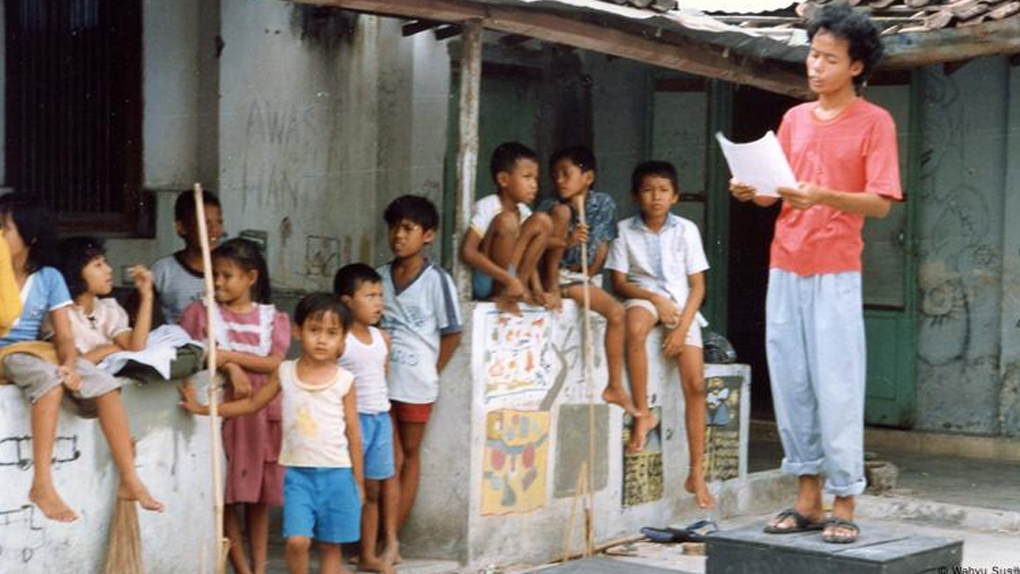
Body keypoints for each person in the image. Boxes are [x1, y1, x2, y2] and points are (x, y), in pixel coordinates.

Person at [729, 4, 899, 544]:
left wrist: (824, 196)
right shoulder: (796, 119)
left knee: (839, 386)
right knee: (792, 381)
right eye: (812, 54)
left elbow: (880, 203)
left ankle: (845, 497)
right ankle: (807, 499)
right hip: (786, 262)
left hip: (835, 269)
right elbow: (778, 189)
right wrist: (751, 191)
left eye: (829, 58)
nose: (815, 66)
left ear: (855, 67)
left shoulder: (875, 121)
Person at [0, 193, 162, 522]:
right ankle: (42, 484)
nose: (0, 236)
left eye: (5, 229)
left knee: (103, 382)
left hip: (35, 351)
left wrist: (70, 366)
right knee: (47, 380)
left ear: (30, 236)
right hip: (6, 352)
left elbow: (64, 337)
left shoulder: (49, 278)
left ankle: (129, 478)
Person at [180, 293, 363, 574]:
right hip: (298, 476)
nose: (322, 339)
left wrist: (358, 482)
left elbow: (353, 432)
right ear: (298, 331)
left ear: (343, 338)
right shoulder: (285, 372)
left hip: (337, 474)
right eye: (315, 330)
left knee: (330, 546)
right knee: (297, 541)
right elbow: (253, 403)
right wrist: (203, 409)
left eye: (331, 333)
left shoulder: (345, 381)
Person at [606, 161, 714, 509]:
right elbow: (620, 281)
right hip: (645, 298)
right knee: (634, 328)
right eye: (649, 190)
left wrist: (682, 327)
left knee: (696, 385)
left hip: (683, 308)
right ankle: (641, 415)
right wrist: (654, 298)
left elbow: (698, 286)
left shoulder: (686, 230)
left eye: (664, 190)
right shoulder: (623, 230)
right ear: (637, 195)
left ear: (675, 196)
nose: (656, 197)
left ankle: (696, 472)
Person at [180, 238, 290, 574]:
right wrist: (230, 367)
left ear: (251, 278)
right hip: (226, 415)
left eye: (227, 276)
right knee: (227, 494)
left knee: (259, 498)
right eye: (214, 275)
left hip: (262, 415)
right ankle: (241, 568)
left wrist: (227, 355)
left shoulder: (273, 318)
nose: (218, 283)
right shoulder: (202, 313)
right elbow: (194, 354)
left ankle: (259, 568)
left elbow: (275, 363)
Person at [378, 195, 462, 534]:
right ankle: (374, 534)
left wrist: (431, 371)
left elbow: (452, 333)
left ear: (427, 235)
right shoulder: (378, 277)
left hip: (416, 386)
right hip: (379, 384)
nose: (399, 235)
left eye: (408, 228)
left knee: (408, 457)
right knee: (386, 461)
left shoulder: (437, 280)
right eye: (394, 227)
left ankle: (390, 537)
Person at [538, 146, 635, 416]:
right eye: (555, 174)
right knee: (616, 311)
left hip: (584, 277)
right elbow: (545, 254)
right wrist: (555, 286)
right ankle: (614, 387)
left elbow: (603, 245)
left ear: (588, 178)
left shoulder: (603, 203)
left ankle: (614, 386)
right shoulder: (551, 207)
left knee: (617, 313)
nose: (559, 179)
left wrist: (589, 277)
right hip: (556, 277)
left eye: (566, 173)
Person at [335, 263, 397, 574]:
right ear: (347, 301)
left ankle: (368, 554)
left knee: (373, 490)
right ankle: (333, 553)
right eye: (370, 295)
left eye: (380, 295)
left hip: (379, 418)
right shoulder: (340, 340)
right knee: (343, 486)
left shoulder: (381, 338)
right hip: (351, 421)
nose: (378, 302)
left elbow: (382, 377)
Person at [460, 141, 552, 313]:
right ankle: (506, 291)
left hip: (514, 280)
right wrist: (508, 280)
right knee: (507, 221)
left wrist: (538, 289)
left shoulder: (524, 211)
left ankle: (520, 288)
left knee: (543, 220)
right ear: (503, 179)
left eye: (535, 179)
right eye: (527, 177)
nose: (534, 185)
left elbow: (528, 252)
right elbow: (468, 252)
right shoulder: (488, 205)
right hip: (489, 281)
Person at [55, 237, 154, 363]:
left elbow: (135, 346)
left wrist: (147, 295)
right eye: (98, 265)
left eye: (105, 262)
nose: (108, 269)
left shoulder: (108, 309)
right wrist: (109, 350)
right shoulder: (59, 315)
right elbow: (73, 365)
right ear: (74, 272)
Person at [151, 189, 224, 324]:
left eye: (219, 222)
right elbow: (134, 314)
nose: (215, 229)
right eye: (206, 223)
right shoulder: (164, 270)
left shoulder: (230, 269)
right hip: (180, 343)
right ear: (181, 227)